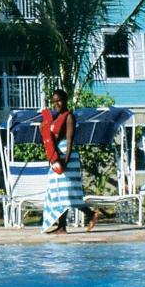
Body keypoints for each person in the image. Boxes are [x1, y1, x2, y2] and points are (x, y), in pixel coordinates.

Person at [40, 89, 99, 234]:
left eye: (59, 100)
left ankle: (84, 217)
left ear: (65, 100)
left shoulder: (69, 117)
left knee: (68, 193)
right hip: (57, 157)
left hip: (68, 157)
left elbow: (69, 140)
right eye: (54, 101)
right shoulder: (54, 118)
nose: (56, 104)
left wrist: (65, 161)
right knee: (58, 192)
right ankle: (64, 225)